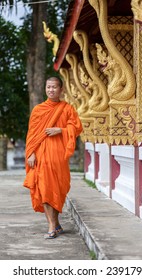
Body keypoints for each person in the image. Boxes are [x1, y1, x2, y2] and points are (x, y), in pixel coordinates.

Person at [23, 76, 83, 239]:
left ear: (61, 89)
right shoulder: (38, 110)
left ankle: (56, 225)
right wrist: (31, 153)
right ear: (45, 89)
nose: (51, 90)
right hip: (40, 155)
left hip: (58, 156)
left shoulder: (67, 109)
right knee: (43, 188)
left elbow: (77, 127)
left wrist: (61, 130)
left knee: (57, 189)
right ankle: (51, 226)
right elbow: (32, 134)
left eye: (54, 87)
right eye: (48, 87)